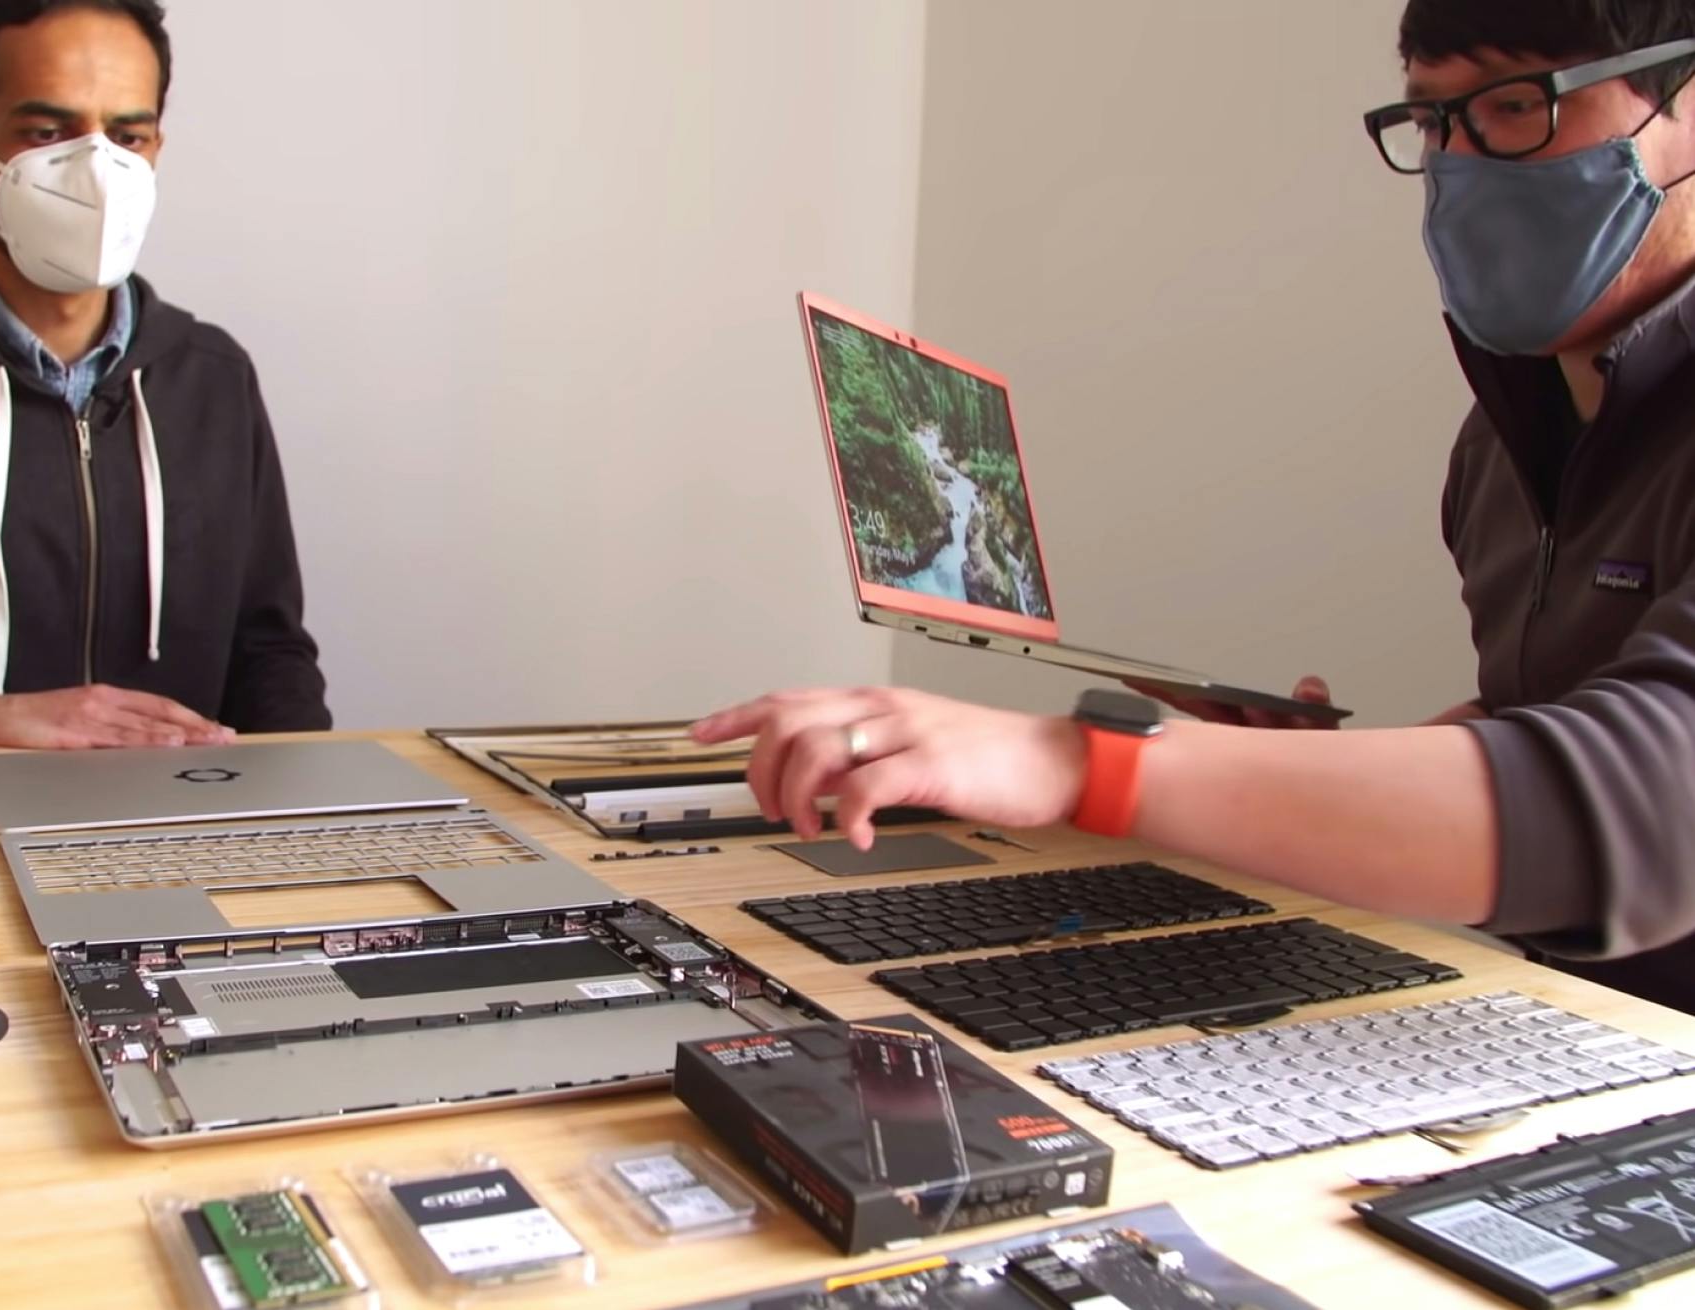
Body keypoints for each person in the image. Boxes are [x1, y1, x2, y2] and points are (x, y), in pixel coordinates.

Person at [696, 0, 1695, 1016]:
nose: (1460, 161)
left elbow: (1638, 812)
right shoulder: (1497, 444)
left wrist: (1087, 761)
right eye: (1432, 121)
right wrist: (1292, 777)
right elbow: (1543, 719)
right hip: (1556, 1030)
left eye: (1517, 106)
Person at [0, 0, 330, 749]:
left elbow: (270, 654)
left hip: (172, 830)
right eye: (47, 133)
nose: (98, 169)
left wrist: (310, 826)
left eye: (127, 135)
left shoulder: (213, 379)